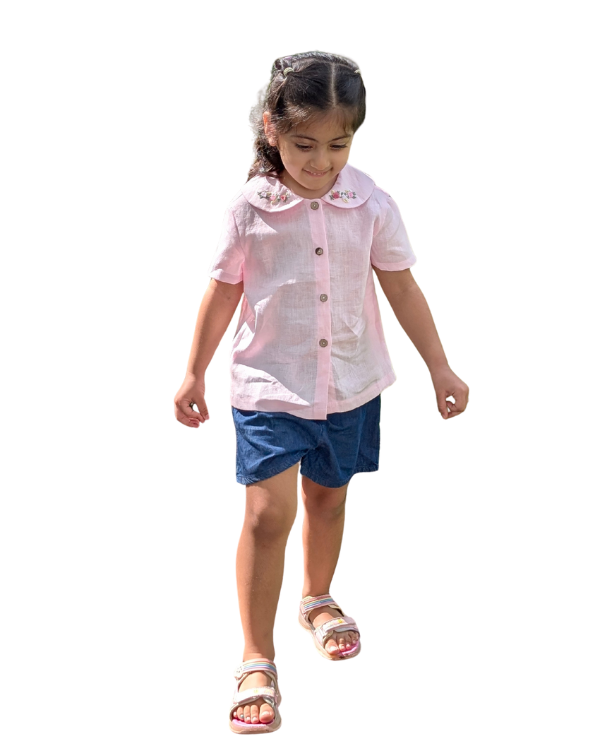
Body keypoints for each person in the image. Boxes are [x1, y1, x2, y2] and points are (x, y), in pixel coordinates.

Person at [174, 51, 469, 734]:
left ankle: (317, 598)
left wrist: (441, 367)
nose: (321, 161)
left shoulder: (370, 203)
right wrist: (193, 371)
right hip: (270, 385)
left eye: (339, 145)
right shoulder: (249, 209)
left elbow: (401, 286)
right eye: (305, 144)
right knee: (265, 516)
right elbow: (222, 292)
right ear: (271, 129)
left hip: (350, 383)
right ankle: (255, 656)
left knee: (328, 499)